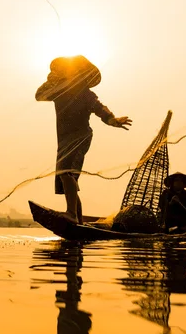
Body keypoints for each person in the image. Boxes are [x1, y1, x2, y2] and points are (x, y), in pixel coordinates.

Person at [35, 55, 132, 224]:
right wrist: (50, 80)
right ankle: (77, 220)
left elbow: (99, 108)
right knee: (66, 176)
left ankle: (71, 214)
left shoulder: (85, 93)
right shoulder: (59, 91)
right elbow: (39, 95)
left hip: (80, 135)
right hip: (64, 139)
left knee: (66, 172)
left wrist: (113, 120)